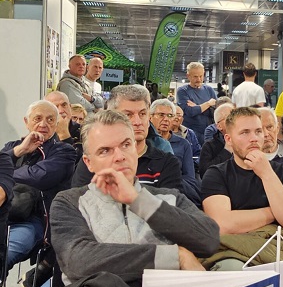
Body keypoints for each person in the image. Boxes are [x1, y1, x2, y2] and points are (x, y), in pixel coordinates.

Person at [51, 110, 220, 287]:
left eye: (125, 145)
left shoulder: (168, 198)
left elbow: (209, 239)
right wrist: (175, 256)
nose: (119, 156)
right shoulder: (69, 202)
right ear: (88, 162)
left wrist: (138, 200)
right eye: (105, 151)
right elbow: (79, 260)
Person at [200, 107, 283, 271]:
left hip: (278, 248)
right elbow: (222, 224)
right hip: (234, 251)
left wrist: (266, 173)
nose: (254, 138)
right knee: (232, 268)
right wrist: (275, 212)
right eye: (245, 133)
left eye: (258, 131)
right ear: (229, 139)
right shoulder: (216, 174)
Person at [1, 100, 77, 276]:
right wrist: (19, 151)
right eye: (38, 118)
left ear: (56, 124)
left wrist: (6, 172)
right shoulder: (12, 147)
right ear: (26, 122)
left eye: (50, 120)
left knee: (6, 253)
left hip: (33, 221)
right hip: (4, 216)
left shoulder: (64, 151)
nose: (43, 124)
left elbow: (38, 177)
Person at [71, 84, 182, 193]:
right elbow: (79, 201)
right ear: (111, 117)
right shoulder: (95, 160)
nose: (138, 122)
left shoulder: (167, 163)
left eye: (142, 114)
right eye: (128, 115)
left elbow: (169, 204)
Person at [150, 99, 201, 205]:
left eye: (170, 116)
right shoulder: (145, 143)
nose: (166, 119)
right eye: (161, 115)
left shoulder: (184, 144)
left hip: (177, 191)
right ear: (150, 117)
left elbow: (189, 178)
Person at [176, 62, 217, 145]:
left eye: (201, 76)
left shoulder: (209, 90)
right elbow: (190, 112)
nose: (198, 79)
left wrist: (197, 107)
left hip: (209, 134)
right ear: (188, 76)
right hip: (190, 135)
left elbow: (215, 112)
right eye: (195, 76)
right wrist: (208, 104)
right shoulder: (182, 91)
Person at [198, 103, 234, 178]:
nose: (235, 121)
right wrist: (226, 151)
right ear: (219, 126)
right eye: (230, 118)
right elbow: (205, 173)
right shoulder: (209, 146)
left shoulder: (248, 140)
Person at [44, 91, 83, 157]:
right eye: (55, 107)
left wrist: (64, 136)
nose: (61, 111)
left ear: (70, 107)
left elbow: (81, 160)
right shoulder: (42, 131)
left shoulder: (83, 131)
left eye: (64, 105)